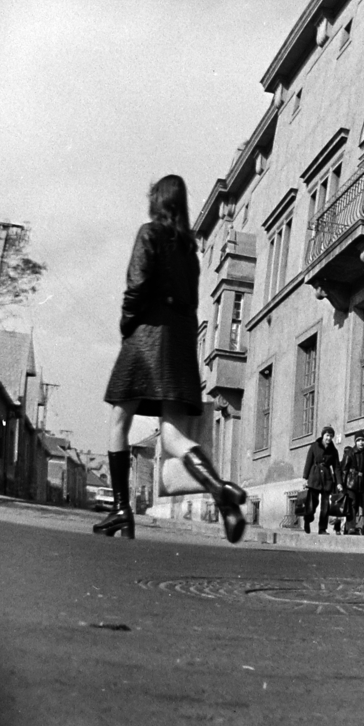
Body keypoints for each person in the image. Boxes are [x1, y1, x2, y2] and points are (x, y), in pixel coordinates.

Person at [95, 175, 247, 544]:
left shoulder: (149, 233)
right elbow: (193, 300)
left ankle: (120, 509)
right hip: (180, 339)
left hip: (148, 334)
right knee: (173, 436)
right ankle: (220, 492)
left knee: (119, 418)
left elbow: (137, 285)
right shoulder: (189, 249)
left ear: (158, 201)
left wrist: (126, 324)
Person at [303, 425, 342, 534]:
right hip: (314, 477)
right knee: (313, 503)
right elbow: (308, 462)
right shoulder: (314, 446)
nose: (329, 438)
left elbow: (337, 468)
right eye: (327, 435)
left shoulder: (334, 451)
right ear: (323, 436)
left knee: (325, 506)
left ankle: (322, 529)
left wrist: (339, 482)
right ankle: (307, 520)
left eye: (331, 436)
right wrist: (305, 478)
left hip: (327, 479)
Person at [339, 431, 364, 534]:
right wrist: (342, 484)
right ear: (355, 442)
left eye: (363, 440)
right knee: (352, 504)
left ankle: (360, 527)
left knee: (361, 506)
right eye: (358, 440)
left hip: (361, 485)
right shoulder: (350, 453)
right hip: (350, 483)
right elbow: (344, 469)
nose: (361, 443)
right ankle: (351, 527)